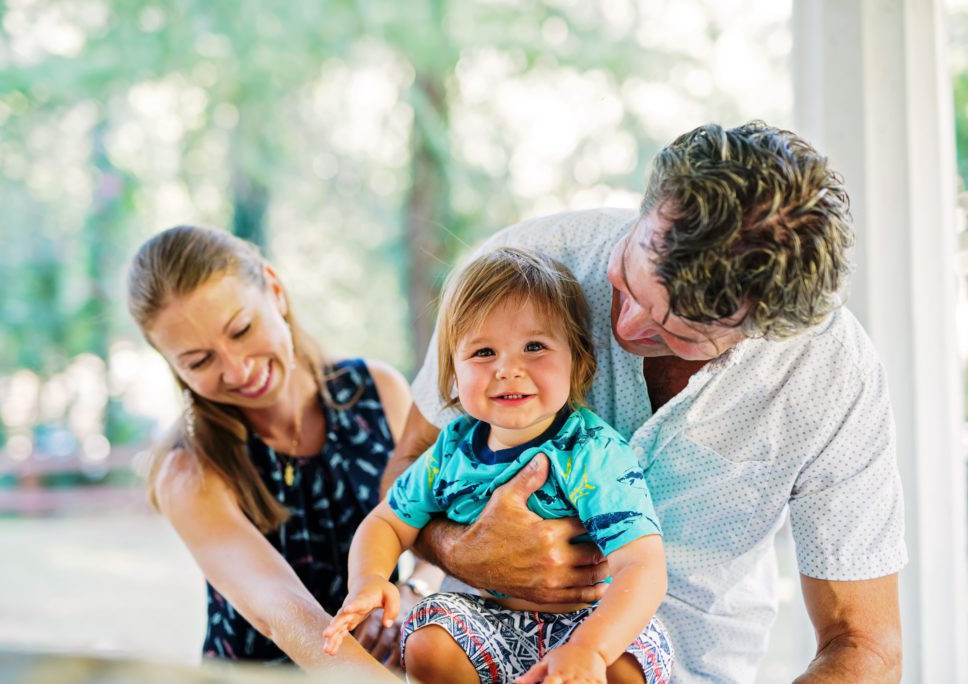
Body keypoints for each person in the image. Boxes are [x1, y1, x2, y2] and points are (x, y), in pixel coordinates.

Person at [382, 121, 906, 683]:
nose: (627, 327)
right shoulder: (519, 273)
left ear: (763, 330)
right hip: (487, 654)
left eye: (676, 333)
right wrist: (460, 550)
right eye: (628, 279)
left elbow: (864, 644)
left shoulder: (829, 374)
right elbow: (407, 466)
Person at [323, 247, 673, 684]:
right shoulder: (451, 450)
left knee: (629, 660)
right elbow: (387, 523)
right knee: (427, 637)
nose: (508, 369)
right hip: (491, 625)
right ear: (453, 373)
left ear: (578, 360)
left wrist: (590, 649)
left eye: (534, 346)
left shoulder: (592, 450)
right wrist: (369, 579)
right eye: (484, 352)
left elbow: (642, 566)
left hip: (590, 623)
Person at [126, 225, 429, 674]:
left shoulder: (379, 391)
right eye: (199, 361)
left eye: (241, 330)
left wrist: (414, 592)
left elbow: (438, 524)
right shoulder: (189, 469)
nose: (238, 370)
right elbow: (281, 609)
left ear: (274, 289)